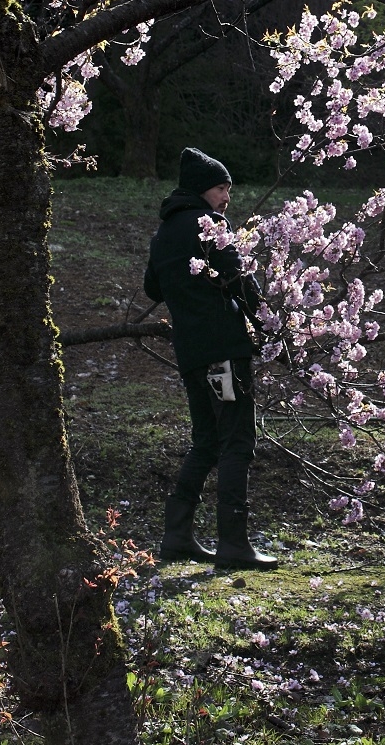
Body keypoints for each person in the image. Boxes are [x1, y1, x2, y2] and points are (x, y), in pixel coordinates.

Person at [144, 147, 278, 570]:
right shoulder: (211, 226)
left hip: (191, 355)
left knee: (205, 441)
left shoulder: (164, 232)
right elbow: (241, 278)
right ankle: (234, 543)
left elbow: (153, 288)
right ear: (204, 188)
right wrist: (273, 328)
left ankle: (177, 536)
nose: (227, 198)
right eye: (223, 188)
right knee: (236, 440)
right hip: (223, 353)